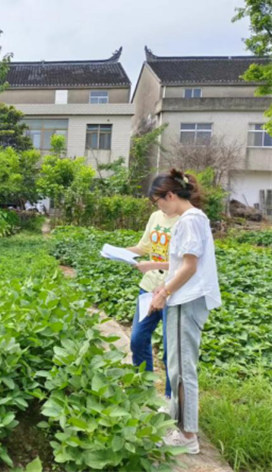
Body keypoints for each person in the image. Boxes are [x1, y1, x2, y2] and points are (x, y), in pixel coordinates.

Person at [147, 168, 222, 455]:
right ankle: (181, 423)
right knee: (177, 365)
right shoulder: (191, 219)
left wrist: (165, 292)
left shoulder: (190, 220)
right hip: (185, 298)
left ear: (170, 195)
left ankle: (188, 434)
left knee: (182, 368)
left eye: (158, 203)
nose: (160, 209)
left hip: (187, 301)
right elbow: (181, 266)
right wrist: (163, 286)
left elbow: (190, 267)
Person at [126, 208, 179, 401]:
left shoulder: (187, 219)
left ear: (171, 195)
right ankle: (144, 389)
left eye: (159, 198)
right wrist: (118, 252)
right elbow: (143, 247)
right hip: (149, 287)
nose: (158, 204)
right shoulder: (156, 216)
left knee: (171, 350)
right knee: (137, 339)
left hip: (173, 291)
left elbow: (186, 263)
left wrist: (152, 265)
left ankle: (171, 399)